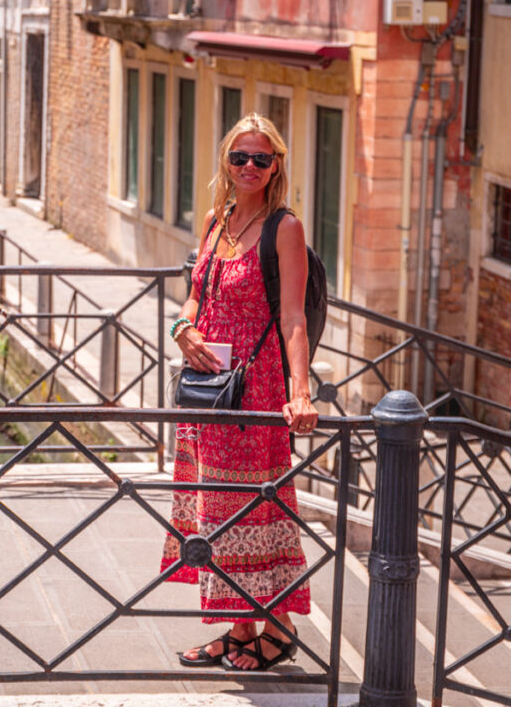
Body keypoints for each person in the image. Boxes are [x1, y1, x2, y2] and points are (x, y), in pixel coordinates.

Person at [162, 112, 318, 672]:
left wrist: (300, 394)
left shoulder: (285, 228)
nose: (249, 166)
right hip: (207, 389)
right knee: (215, 510)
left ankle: (272, 628)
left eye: (261, 158)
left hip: (255, 392)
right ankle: (242, 629)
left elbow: (294, 317)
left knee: (252, 509)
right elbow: (193, 299)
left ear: (276, 165)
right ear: (225, 162)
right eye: (240, 157)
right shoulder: (215, 221)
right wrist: (183, 331)